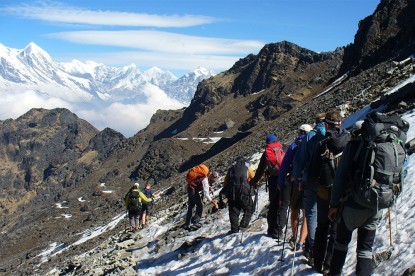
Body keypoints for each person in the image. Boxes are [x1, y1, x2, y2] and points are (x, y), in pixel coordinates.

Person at [327, 114, 407, 275]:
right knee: (365, 249)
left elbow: (341, 177)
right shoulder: (388, 144)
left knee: (341, 243)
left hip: (353, 204)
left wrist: (334, 204)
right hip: (376, 204)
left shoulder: (356, 145)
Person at [307, 111, 350, 273]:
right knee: (335, 230)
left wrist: (307, 183)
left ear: (327, 124)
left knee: (322, 227)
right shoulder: (349, 140)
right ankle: (329, 264)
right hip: (342, 193)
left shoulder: (322, 143)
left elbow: (313, 169)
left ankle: (317, 262)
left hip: (324, 191)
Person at [291, 113, 326, 263]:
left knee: (311, 213)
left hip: (311, 180)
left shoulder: (310, 136)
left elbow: (300, 160)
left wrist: (298, 177)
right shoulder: (336, 134)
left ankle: (311, 247)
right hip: (329, 181)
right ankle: (326, 251)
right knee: (326, 216)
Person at [278, 124, 312, 250]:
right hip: (308, 182)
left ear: (300, 132)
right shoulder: (313, 143)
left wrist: (281, 183)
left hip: (295, 182)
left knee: (294, 210)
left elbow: (284, 165)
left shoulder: (294, 145)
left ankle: (294, 236)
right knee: (306, 212)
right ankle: (301, 242)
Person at [250, 133, 285, 239]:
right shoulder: (283, 148)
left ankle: (271, 230)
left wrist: (253, 181)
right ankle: (279, 230)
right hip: (284, 179)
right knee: (282, 204)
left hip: (273, 181)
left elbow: (260, 170)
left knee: (273, 204)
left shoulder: (267, 153)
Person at [222, 158, 256, 234]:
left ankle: (234, 229)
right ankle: (243, 225)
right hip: (244, 191)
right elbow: (254, 177)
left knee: (234, 211)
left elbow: (225, 182)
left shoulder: (232, 168)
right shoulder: (247, 167)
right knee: (249, 208)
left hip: (232, 192)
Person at [184, 164, 219, 229]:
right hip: (193, 190)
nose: (213, 182)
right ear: (211, 177)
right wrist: (212, 201)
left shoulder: (205, 178)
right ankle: (195, 222)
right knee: (200, 205)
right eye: (214, 180)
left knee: (191, 206)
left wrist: (209, 187)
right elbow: (206, 194)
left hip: (190, 187)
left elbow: (204, 185)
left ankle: (187, 223)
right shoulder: (205, 180)